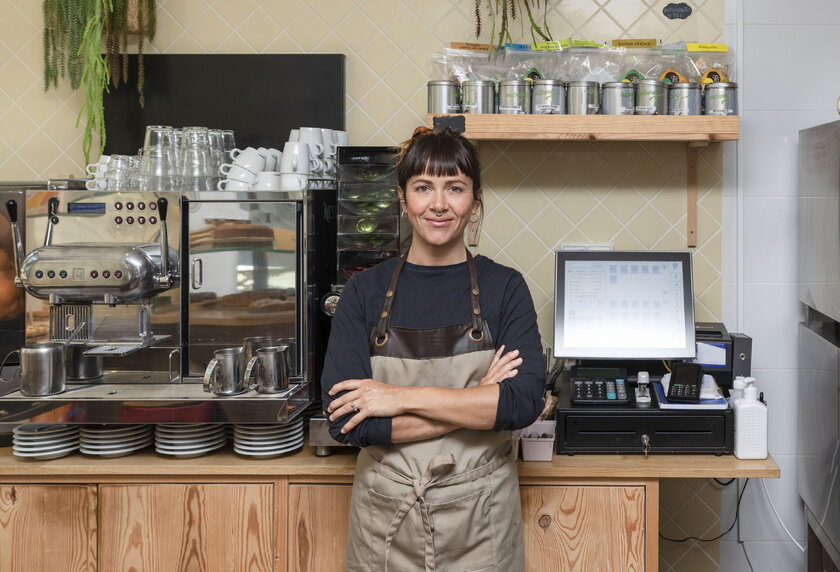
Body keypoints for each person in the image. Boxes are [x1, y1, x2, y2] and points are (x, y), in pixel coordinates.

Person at [321, 126, 546, 572]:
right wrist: (476, 400)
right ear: (403, 200)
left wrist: (396, 398)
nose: (439, 204)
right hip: (385, 519)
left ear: (475, 201)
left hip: (482, 520)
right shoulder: (363, 292)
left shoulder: (506, 287)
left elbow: (522, 404)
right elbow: (348, 422)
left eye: (455, 188)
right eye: (423, 188)